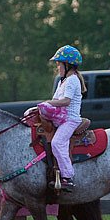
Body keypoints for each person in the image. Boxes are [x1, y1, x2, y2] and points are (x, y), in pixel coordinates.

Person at [37, 45, 86, 192]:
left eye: (59, 64)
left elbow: (66, 101)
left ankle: (67, 177)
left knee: (58, 143)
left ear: (67, 64)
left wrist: (47, 103)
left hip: (70, 120)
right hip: (61, 118)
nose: (57, 67)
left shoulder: (72, 80)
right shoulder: (62, 81)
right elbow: (55, 100)